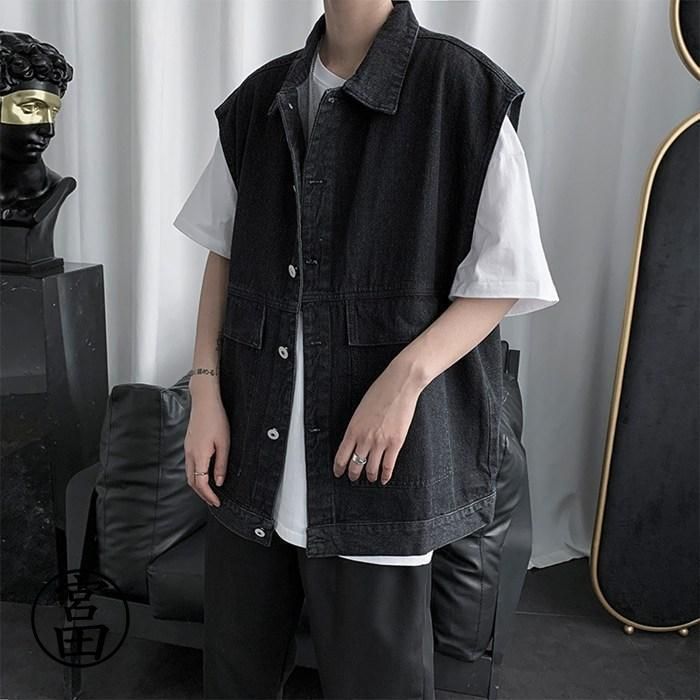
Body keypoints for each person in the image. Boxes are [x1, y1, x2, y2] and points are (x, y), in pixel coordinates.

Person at [174, 1, 559, 698]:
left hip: (378, 466)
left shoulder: (461, 89)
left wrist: (402, 380)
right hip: (251, 456)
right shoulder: (261, 99)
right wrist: (205, 390)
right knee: (234, 676)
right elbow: (222, 256)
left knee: (377, 683)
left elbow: (504, 277)